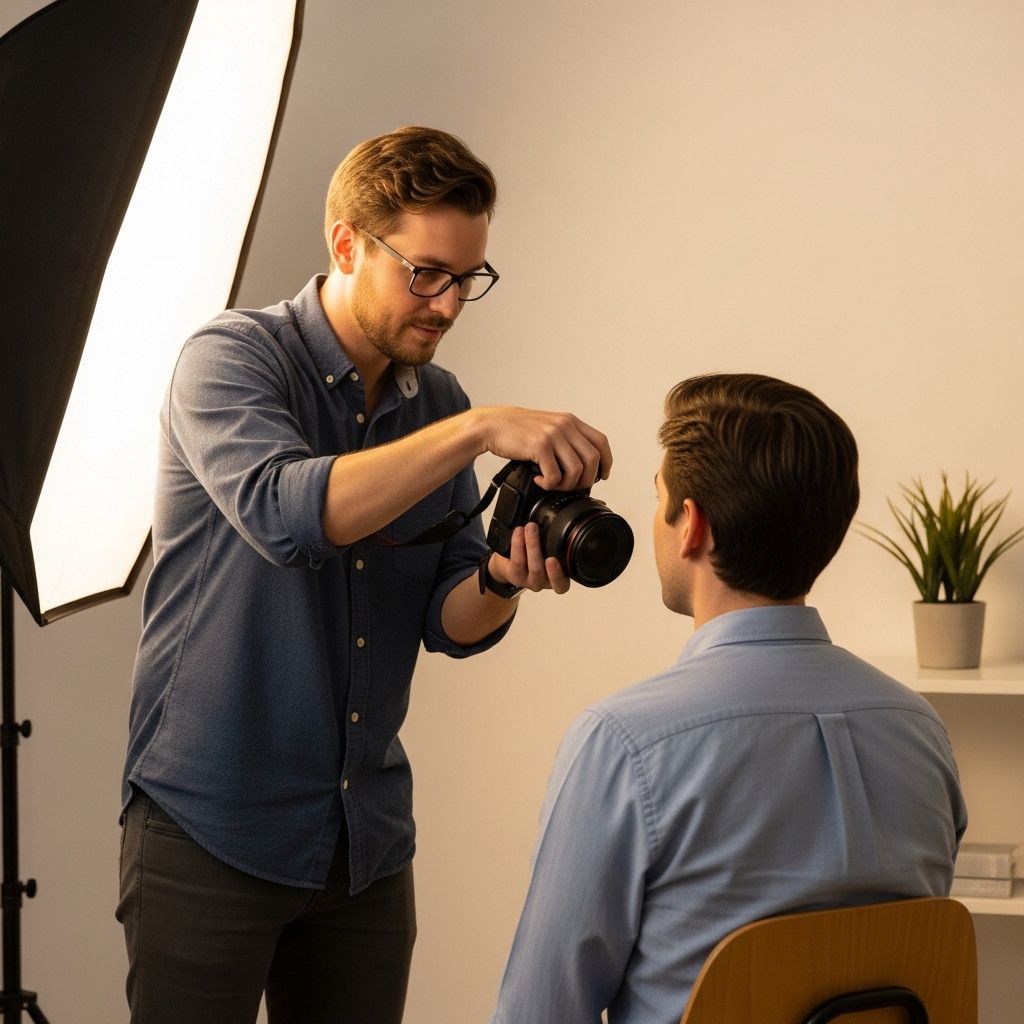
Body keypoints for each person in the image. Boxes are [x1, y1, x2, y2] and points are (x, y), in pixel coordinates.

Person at [117, 125, 613, 1024]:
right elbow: (289, 514)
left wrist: (502, 580)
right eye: (426, 273)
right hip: (210, 826)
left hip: (364, 838)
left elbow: (448, 622)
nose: (449, 304)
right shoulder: (229, 359)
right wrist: (475, 431)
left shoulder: (438, 402)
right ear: (347, 244)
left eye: (467, 278)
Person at [490, 373, 967, 1024]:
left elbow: (539, 1012)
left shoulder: (625, 744)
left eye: (658, 498)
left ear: (692, 526)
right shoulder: (920, 730)